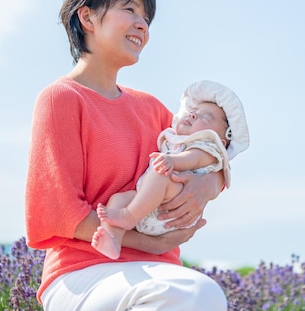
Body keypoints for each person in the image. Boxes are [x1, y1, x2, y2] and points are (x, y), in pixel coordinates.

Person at [25, 0, 230, 311]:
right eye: (130, 10)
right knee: (197, 294)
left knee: (196, 295)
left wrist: (211, 183)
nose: (142, 25)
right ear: (87, 16)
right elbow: (60, 211)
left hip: (157, 274)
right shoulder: (61, 98)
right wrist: (150, 243)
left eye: (147, 18)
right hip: (83, 273)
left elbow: (213, 149)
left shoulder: (154, 110)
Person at [93, 80, 250, 259]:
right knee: (119, 198)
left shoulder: (207, 147)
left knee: (162, 176)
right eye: (193, 112)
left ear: (220, 141)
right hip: (147, 206)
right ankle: (113, 238)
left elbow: (194, 158)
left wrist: (173, 161)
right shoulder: (173, 138)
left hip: (171, 211)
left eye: (205, 117)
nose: (192, 116)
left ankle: (128, 216)